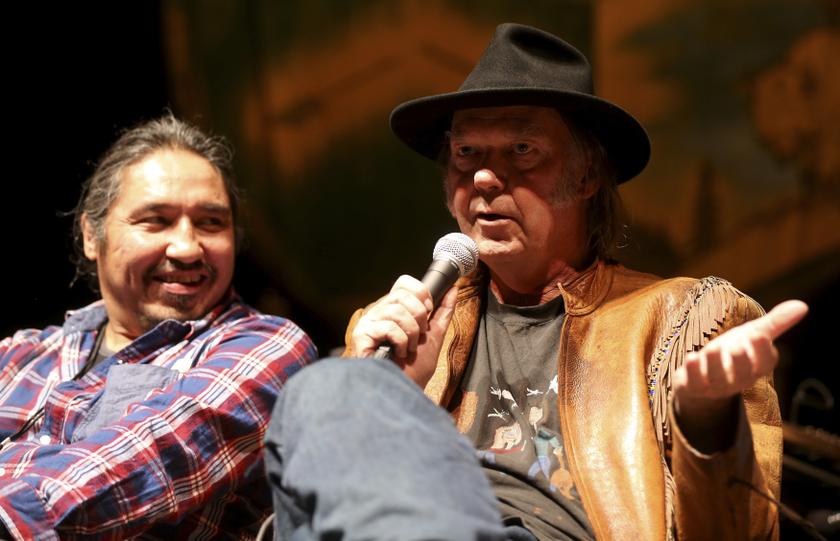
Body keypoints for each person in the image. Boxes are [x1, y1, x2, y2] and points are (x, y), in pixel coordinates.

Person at [263, 23, 807, 540]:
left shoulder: (683, 319)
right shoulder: (405, 326)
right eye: (466, 153)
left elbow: (745, 534)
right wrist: (385, 382)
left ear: (588, 175)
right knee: (320, 388)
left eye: (522, 150)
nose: (482, 177)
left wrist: (707, 425)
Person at [0, 115, 317, 540]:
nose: (188, 248)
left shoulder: (267, 346)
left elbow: (150, 454)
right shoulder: (21, 355)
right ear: (92, 236)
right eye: (156, 220)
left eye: (211, 223)